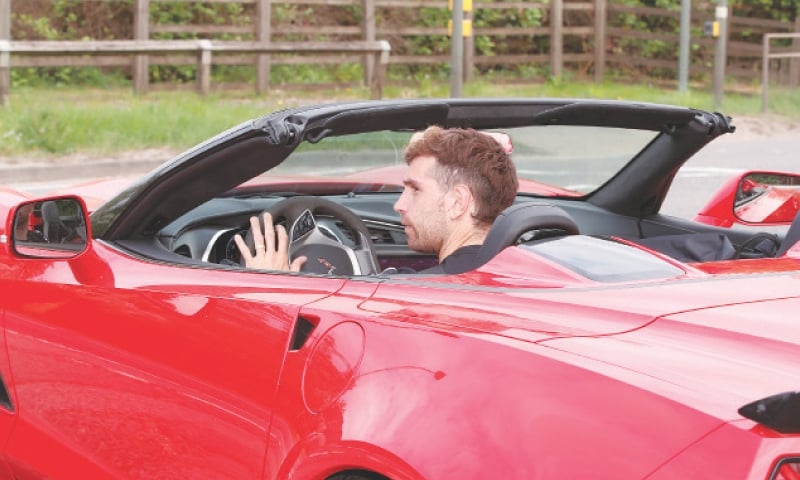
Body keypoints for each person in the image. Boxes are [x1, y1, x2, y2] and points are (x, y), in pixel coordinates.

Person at [236, 126, 518, 274]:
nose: (399, 205)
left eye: (415, 190)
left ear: (458, 202)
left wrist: (276, 286)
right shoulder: (519, 269)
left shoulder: (411, 298)